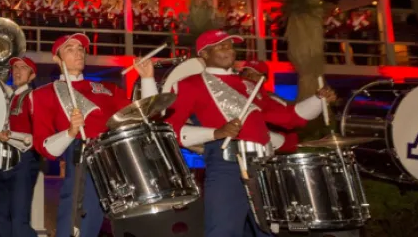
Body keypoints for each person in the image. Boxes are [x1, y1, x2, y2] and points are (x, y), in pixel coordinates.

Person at [165, 30, 335, 237]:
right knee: (223, 231)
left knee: (267, 232)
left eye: (230, 45)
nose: (229, 49)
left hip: (263, 165)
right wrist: (216, 133)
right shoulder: (189, 84)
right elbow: (170, 129)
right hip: (226, 164)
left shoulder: (250, 85)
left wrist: (318, 99)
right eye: (221, 46)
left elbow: (289, 118)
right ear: (204, 54)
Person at [30, 33, 157, 237]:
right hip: (82, 158)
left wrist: (148, 78)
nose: (78, 53)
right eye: (70, 49)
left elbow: (144, 116)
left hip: (118, 157)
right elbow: (44, 147)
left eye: (81, 49)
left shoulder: (108, 88)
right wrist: (70, 132)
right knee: (78, 223)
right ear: (56, 58)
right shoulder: (43, 94)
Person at [0, 56, 41, 237]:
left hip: (24, 159)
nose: (18, 71)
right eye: (15, 67)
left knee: (19, 217)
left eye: (23, 68)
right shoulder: (11, 95)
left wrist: (11, 135)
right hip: (4, 158)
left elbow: (38, 134)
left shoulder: (33, 97)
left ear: (32, 75)